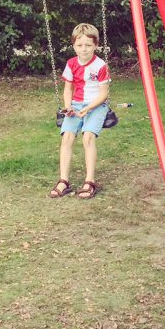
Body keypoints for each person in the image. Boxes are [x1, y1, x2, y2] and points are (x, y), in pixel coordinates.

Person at [49, 23, 110, 200]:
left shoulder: (100, 65)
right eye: (79, 45)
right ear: (74, 46)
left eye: (88, 45)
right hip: (76, 104)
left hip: (96, 105)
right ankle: (64, 181)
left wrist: (88, 109)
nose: (84, 49)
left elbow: (104, 94)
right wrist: (68, 106)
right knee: (67, 137)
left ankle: (89, 181)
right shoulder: (71, 64)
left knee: (87, 137)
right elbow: (68, 88)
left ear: (96, 45)